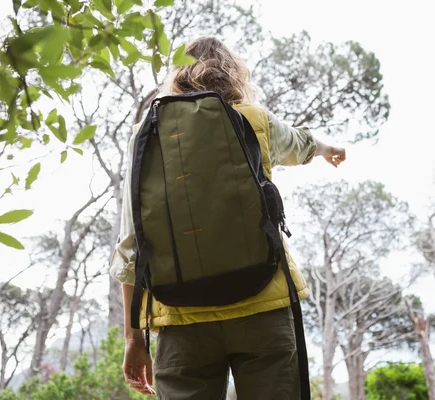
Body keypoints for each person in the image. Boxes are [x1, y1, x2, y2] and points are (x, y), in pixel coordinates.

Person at [110, 36, 346, 399]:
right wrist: (329, 148)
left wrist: (134, 337)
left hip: (181, 316)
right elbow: (300, 145)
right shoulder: (253, 119)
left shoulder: (147, 134)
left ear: (178, 75)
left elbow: (131, 247)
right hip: (263, 304)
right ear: (234, 73)